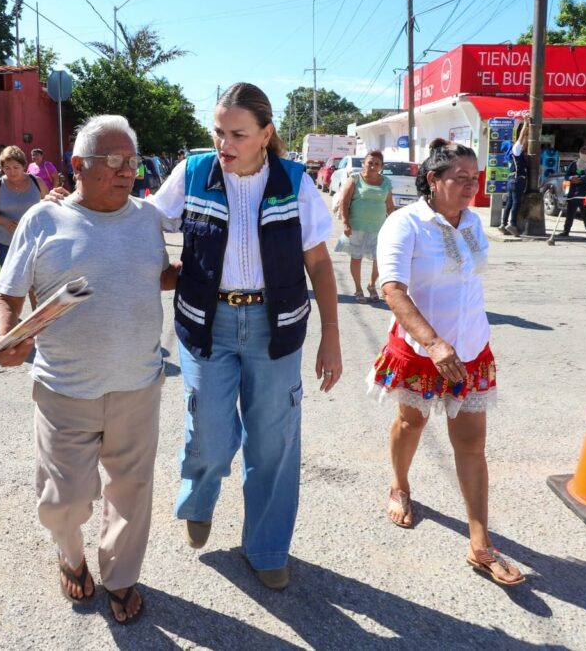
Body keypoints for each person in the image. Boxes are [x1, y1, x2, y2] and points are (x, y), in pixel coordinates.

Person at [0, 115, 178, 625]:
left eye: (131, 161)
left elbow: (156, 276)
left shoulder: (145, 218)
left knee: (131, 491)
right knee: (63, 500)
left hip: (138, 383)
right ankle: (70, 553)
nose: (126, 171)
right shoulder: (42, 221)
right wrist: (2, 338)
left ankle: (119, 576)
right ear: (77, 166)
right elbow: (3, 297)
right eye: (113, 160)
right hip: (64, 388)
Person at [151, 82, 341, 590]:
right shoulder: (192, 174)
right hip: (204, 322)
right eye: (218, 131)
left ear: (265, 134)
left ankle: (267, 547)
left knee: (273, 443)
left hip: (274, 328)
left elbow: (319, 266)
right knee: (209, 433)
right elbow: (142, 221)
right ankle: (199, 496)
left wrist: (331, 339)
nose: (224, 143)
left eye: (237, 133)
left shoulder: (295, 182)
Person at [370, 137, 524, 587]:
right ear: (432, 180)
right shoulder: (405, 224)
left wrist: (458, 341)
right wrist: (433, 342)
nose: (470, 188)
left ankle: (481, 543)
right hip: (422, 353)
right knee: (411, 423)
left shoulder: (474, 223)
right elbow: (392, 288)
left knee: (472, 444)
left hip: (471, 352)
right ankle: (400, 485)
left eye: (473, 179)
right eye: (460, 179)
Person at [0, 145, 46, 285]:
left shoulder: (36, 182)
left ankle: (37, 308)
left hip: (36, 241)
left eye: (16, 167)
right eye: (7, 168)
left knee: (36, 284)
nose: (12, 172)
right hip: (6, 243)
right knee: (12, 284)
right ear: (1, 168)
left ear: (23, 165)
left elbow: (49, 205)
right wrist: (3, 221)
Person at [339, 150, 394, 303]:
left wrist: (395, 223)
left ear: (382, 166)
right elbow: (344, 201)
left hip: (379, 228)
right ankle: (358, 288)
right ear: (364, 163)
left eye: (377, 163)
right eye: (370, 162)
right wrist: (345, 222)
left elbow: (390, 206)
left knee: (379, 259)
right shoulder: (355, 179)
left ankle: (372, 285)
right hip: (356, 226)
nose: (373, 166)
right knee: (356, 258)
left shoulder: (386, 182)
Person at [559, 146, 586, 241]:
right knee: (570, 213)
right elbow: (567, 175)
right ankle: (566, 230)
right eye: (582, 152)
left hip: (585, 194)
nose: (584, 155)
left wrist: (579, 179)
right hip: (573, 193)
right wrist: (572, 178)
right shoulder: (574, 163)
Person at [501, 119, 529, 236]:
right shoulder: (515, 151)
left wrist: (528, 132)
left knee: (509, 203)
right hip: (518, 181)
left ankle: (503, 224)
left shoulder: (509, 156)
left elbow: (524, 142)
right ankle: (512, 224)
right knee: (516, 203)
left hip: (511, 180)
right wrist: (525, 124)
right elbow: (521, 138)